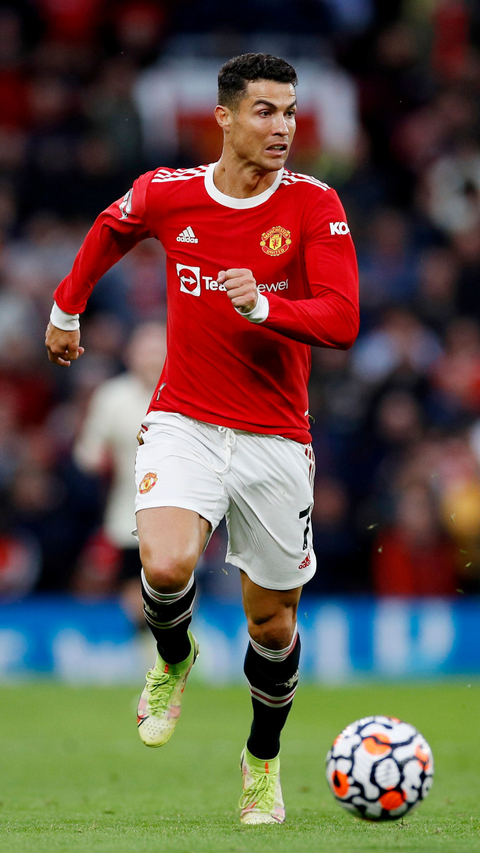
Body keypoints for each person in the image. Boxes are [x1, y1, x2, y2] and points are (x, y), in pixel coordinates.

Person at [45, 53, 359, 825]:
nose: (282, 127)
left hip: (276, 437)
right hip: (184, 417)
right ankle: (175, 657)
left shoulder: (315, 206)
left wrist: (266, 309)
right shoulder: (170, 193)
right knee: (166, 559)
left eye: (289, 111)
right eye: (264, 111)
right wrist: (66, 306)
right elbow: (111, 227)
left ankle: (261, 760)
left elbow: (343, 319)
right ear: (223, 117)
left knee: (272, 624)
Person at [73, 322, 166, 618]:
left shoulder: (186, 394)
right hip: (130, 508)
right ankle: (148, 652)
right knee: (135, 584)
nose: (151, 358)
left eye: (157, 351)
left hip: (184, 505)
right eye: (146, 351)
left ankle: (185, 649)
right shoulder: (112, 397)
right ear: (131, 355)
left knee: (185, 579)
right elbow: (88, 452)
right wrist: (97, 460)